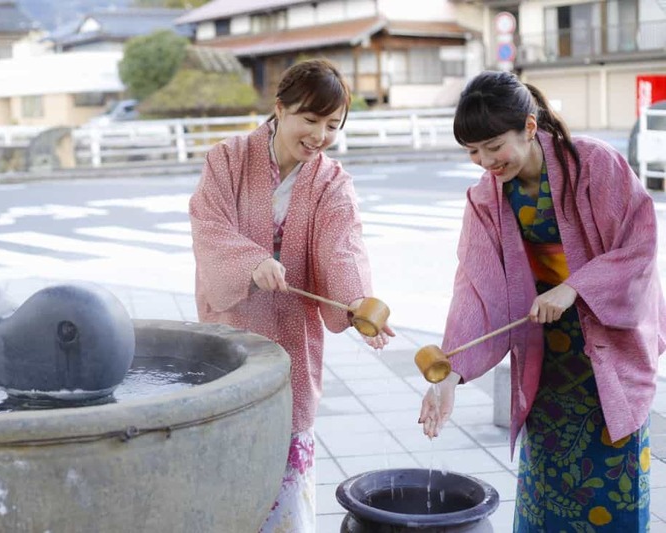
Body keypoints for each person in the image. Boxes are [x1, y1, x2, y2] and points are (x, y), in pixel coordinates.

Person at [418, 70, 666, 531]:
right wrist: (451, 373)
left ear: (530, 128)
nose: (485, 161)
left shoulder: (594, 164)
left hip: (606, 346)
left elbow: (638, 245)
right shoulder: (485, 199)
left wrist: (576, 286)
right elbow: (477, 287)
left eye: (494, 147)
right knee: (546, 482)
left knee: (615, 481)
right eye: (473, 151)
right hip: (546, 354)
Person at [189, 58, 394, 532]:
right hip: (231, 331)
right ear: (279, 108)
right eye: (310, 119)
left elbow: (341, 245)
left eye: (332, 124)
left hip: (290, 335)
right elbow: (209, 225)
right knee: (229, 448)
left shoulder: (331, 181)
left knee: (287, 466)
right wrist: (250, 262)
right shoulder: (227, 158)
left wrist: (359, 305)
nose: (320, 134)